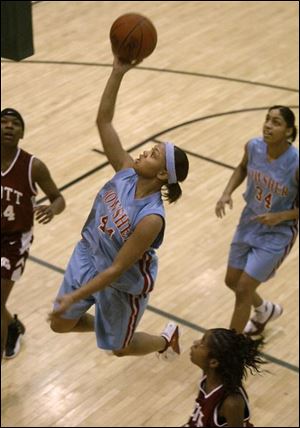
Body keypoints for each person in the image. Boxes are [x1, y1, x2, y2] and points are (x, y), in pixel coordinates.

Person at [48, 56, 189, 360]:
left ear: (163, 174)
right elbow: (104, 122)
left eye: (152, 154)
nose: (142, 153)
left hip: (122, 283)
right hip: (88, 254)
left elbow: (116, 270)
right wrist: (117, 72)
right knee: (60, 324)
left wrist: (77, 295)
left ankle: (165, 340)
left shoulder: (151, 218)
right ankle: (106, 325)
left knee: (119, 349)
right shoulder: (125, 170)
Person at [215, 106, 298, 335]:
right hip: (249, 219)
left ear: (289, 131)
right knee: (232, 280)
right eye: (267, 119)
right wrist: (226, 192)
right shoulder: (253, 146)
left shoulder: (296, 163)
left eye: (276, 122)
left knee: (243, 288)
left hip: (278, 232)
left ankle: (229, 353)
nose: (268, 126)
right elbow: (242, 168)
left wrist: (280, 216)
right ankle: (264, 310)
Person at [1, 108, 66, 361]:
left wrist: (52, 209)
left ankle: (8, 335)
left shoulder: (33, 165)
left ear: (22, 132)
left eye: (14, 123)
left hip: (15, 241)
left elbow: (59, 198)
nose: (8, 126)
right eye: (3, 122)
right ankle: (13, 327)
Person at [184, 328, 265, 427]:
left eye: (202, 343)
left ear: (213, 362)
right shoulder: (209, 375)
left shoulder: (232, 403)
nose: (195, 343)